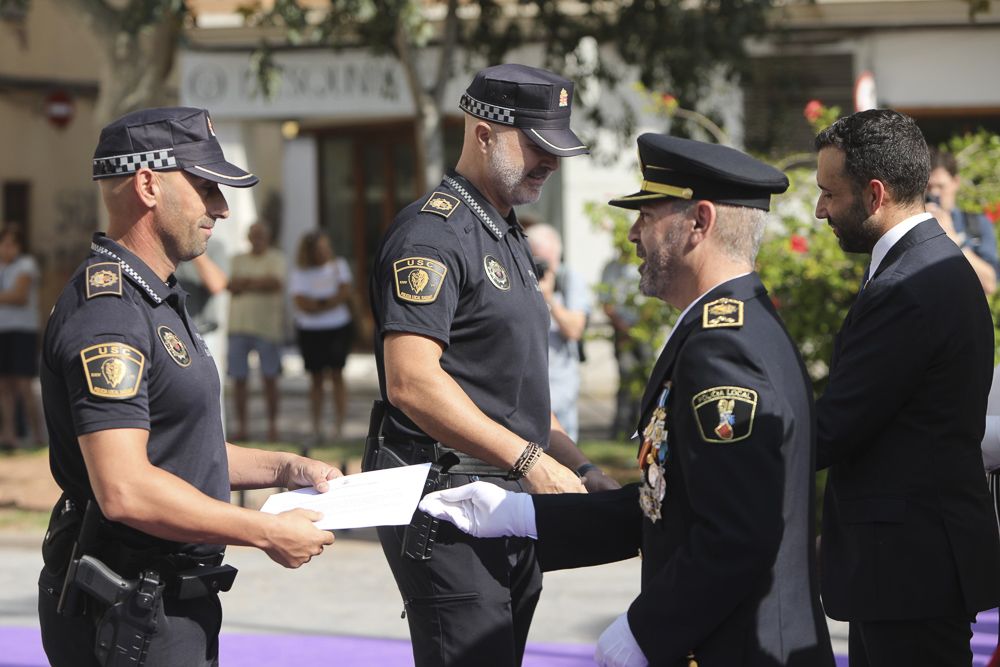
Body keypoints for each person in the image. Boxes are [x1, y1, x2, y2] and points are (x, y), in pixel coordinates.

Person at [420, 133, 836, 667]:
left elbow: (737, 535)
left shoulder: (724, 349)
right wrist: (522, 514)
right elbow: (676, 504)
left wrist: (647, 633)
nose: (634, 233)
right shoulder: (730, 329)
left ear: (700, 222)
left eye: (648, 215)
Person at [37, 107, 338, 667]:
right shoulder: (110, 313)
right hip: (126, 611)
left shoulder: (153, 298)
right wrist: (264, 531)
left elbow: (175, 448)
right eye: (205, 188)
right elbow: (125, 487)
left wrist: (284, 468)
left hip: (165, 602)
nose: (221, 208)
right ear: (148, 185)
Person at [369, 63, 618, 667]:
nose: (550, 162)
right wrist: (530, 461)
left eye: (556, 149)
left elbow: (518, 392)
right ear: (483, 133)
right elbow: (411, 381)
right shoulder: (433, 235)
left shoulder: (506, 233)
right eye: (536, 146)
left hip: (505, 496)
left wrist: (578, 467)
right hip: (449, 500)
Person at [813, 109, 1000, 667]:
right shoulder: (922, 263)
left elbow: (836, 425)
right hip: (907, 566)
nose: (820, 209)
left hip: (909, 569)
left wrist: (732, 452)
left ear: (874, 194)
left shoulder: (909, 283)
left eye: (829, 193)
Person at [525, 222, 590, 441]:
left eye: (547, 262)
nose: (542, 269)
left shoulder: (569, 279)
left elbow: (574, 330)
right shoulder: (519, 276)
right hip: (527, 387)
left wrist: (548, 298)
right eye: (537, 261)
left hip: (561, 389)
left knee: (564, 451)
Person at [289, 230, 353, 446]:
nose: (324, 252)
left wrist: (317, 304)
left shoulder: (339, 266)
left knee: (337, 375)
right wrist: (326, 303)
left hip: (337, 327)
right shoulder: (300, 272)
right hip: (310, 330)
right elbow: (300, 301)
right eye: (319, 249)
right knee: (316, 378)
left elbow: (344, 293)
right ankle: (317, 426)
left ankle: (339, 425)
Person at [227, 221, 286, 442]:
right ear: (249, 237)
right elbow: (230, 285)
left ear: (268, 237)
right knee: (239, 380)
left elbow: (275, 283)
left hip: (267, 328)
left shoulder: (277, 258)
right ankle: (242, 427)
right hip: (238, 326)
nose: (258, 239)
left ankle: (273, 426)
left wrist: (245, 283)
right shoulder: (237, 259)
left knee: (270, 379)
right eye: (254, 234)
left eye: (261, 234)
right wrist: (257, 283)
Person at [925, 148, 998, 294]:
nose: (934, 193)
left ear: (955, 182)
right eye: (929, 187)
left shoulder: (976, 223)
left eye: (941, 186)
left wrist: (954, 240)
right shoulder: (912, 224)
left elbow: (989, 285)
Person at [599, 256, 652, 439]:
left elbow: (651, 302)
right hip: (622, 330)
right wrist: (624, 329)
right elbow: (606, 303)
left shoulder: (644, 262)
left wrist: (640, 327)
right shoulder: (612, 267)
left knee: (645, 378)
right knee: (626, 376)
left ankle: (641, 425)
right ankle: (622, 428)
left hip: (645, 330)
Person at [0, 223, 43, 449]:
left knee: (24, 385)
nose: (7, 248)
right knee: (4, 386)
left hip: (23, 331)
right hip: (3, 331)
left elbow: (19, 296)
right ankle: (9, 435)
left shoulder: (27, 265)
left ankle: (37, 435)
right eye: (4, 244)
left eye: (11, 244)